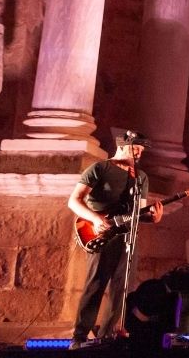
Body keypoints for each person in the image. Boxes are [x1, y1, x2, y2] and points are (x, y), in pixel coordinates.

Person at [68, 130, 163, 348]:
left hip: (128, 236)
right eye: (135, 148)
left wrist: (154, 218)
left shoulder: (141, 177)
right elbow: (74, 200)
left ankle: (107, 336)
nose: (139, 153)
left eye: (141, 150)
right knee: (96, 284)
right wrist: (94, 218)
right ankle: (79, 337)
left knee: (122, 287)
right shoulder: (100, 168)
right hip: (100, 233)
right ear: (121, 146)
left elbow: (139, 213)